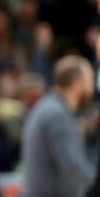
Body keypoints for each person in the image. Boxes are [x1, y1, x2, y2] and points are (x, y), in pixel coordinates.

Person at [21, 55, 96, 197]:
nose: (93, 83)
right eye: (90, 77)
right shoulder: (57, 115)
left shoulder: (50, 107)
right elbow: (73, 169)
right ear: (77, 83)